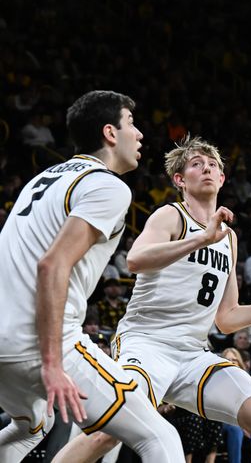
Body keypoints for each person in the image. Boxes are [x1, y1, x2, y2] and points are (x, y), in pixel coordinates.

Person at [52, 136, 251, 463]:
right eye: (196, 164)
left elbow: (227, 318)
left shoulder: (229, 238)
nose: (206, 168)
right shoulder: (171, 216)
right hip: (146, 343)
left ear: (222, 179)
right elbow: (135, 259)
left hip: (192, 354)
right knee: (111, 431)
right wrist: (199, 240)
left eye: (213, 165)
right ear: (180, 180)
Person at [0, 90, 184, 462]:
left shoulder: (42, 179)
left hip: (2, 340)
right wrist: (52, 364)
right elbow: (52, 265)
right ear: (110, 133)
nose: (140, 134)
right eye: (131, 123)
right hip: (40, 345)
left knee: (30, 425)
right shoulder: (108, 186)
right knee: (159, 437)